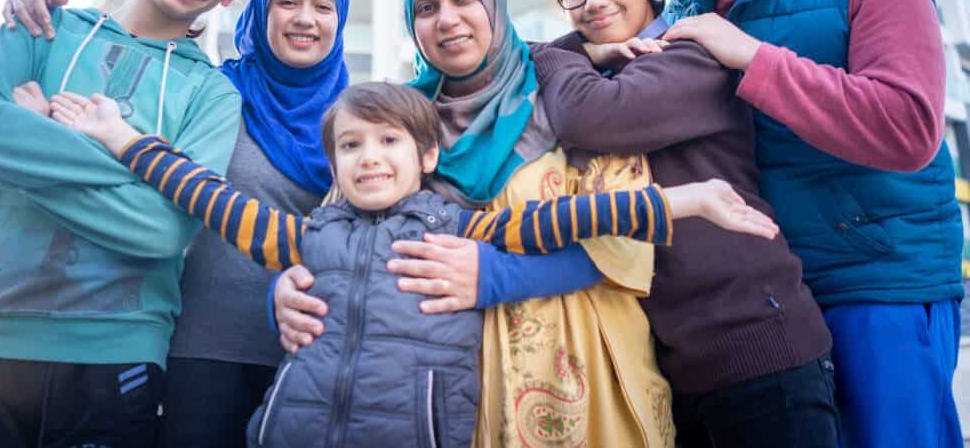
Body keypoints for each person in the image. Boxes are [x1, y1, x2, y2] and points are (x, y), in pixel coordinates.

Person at [45, 80, 776, 447]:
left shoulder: (463, 227)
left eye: (389, 141)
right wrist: (120, 136)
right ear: (332, 163)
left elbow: (576, 218)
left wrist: (693, 198)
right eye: (353, 145)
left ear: (426, 156)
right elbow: (206, 194)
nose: (370, 157)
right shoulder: (302, 237)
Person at [640, 0, 963, 447]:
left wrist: (752, 58)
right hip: (763, 311)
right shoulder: (680, 20)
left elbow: (909, 125)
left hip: (875, 286)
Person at [276, 0, 679, 447]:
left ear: (494, 4)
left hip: (575, 367)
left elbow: (624, 243)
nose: (447, 19)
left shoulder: (568, 92)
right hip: (439, 387)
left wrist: (496, 276)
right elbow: (333, 234)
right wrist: (289, 289)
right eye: (426, 7)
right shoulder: (396, 120)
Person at [0, 0, 266, 447]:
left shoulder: (213, 94)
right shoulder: (42, 27)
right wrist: (134, 164)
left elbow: (164, 230)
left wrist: (37, 134)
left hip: (119, 356)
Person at [0, 0, 351, 448]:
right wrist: (42, 113)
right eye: (286, 1)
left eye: (323, 6)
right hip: (197, 351)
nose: (304, 19)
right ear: (260, 11)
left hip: (309, 353)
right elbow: (129, 138)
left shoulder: (357, 121)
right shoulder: (212, 89)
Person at [532, 0, 838, 447]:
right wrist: (584, 53)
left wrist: (570, 53)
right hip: (677, 371)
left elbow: (594, 117)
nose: (595, 3)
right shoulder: (595, 71)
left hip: (761, 355)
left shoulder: (692, 55)